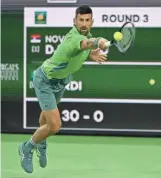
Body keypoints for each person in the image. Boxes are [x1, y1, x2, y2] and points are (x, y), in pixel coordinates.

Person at [18, 5, 108, 173]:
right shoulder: (74, 38)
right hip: (45, 80)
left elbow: (83, 49)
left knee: (46, 115)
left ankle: (41, 142)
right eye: (80, 20)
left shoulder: (84, 37)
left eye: (87, 20)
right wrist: (99, 42)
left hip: (61, 81)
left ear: (92, 22)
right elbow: (85, 43)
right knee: (54, 126)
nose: (84, 23)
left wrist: (92, 54)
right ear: (74, 21)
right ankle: (26, 147)